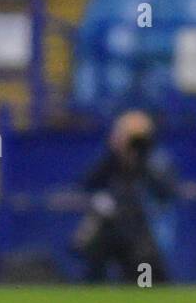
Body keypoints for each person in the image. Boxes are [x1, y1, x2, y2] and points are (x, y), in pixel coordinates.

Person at [73, 110, 177, 284]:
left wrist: (140, 161)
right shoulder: (112, 162)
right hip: (116, 233)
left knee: (147, 275)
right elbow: (87, 185)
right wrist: (117, 156)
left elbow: (165, 192)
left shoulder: (155, 161)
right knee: (98, 239)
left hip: (148, 237)